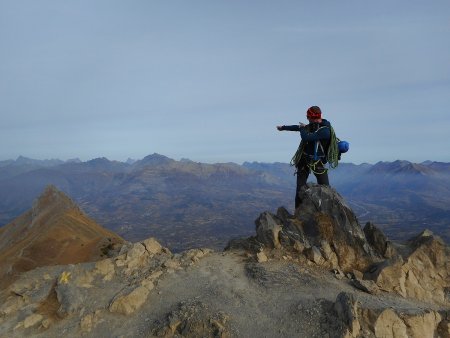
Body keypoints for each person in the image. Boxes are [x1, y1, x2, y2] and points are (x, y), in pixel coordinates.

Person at [277, 106, 332, 209]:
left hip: (316, 161)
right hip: (305, 159)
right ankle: (298, 214)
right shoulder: (313, 126)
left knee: (325, 188)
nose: (307, 119)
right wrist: (283, 127)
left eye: (307, 117)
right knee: (301, 187)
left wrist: (302, 128)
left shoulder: (325, 131)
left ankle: (325, 213)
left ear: (311, 117)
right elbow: (297, 127)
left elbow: (306, 137)